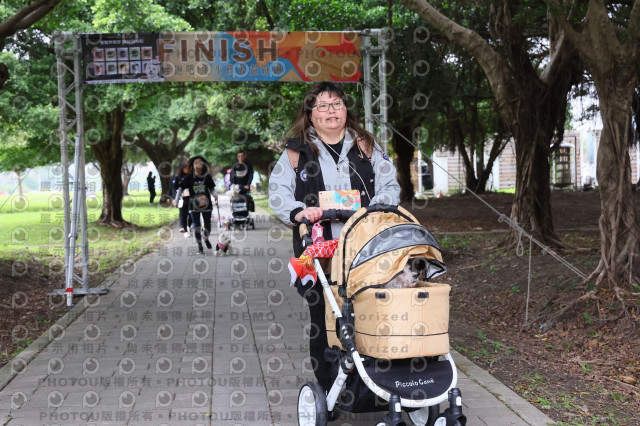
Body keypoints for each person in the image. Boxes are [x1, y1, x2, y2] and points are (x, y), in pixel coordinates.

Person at [268, 82, 400, 393]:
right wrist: (300, 212)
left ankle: (375, 383)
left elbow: (390, 185)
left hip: (366, 247)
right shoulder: (296, 151)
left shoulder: (366, 145)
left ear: (345, 109)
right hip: (318, 252)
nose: (331, 111)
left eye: (337, 104)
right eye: (323, 106)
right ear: (310, 114)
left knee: (369, 309)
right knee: (323, 317)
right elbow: (278, 193)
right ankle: (329, 388)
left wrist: (374, 209)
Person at [173, 156, 218, 254]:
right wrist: (176, 201)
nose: (198, 164)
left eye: (200, 162)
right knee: (197, 225)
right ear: (193, 165)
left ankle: (205, 237)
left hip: (206, 205)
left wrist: (215, 195)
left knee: (207, 226)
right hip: (194, 206)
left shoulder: (207, 176)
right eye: (196, 162)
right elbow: (180, 189)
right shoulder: (189, 177)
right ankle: (199, 245)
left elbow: (211, 188)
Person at [171, 162, 192, 236]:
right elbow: (174, 188)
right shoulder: (177, 177)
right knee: (183, 213)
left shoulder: (191, 176)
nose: (187, 169)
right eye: (186, 168)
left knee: (191, 213)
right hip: (181, 197)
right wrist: (174, 199)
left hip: (190, 197)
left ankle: (189, 225)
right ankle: (184, 228)